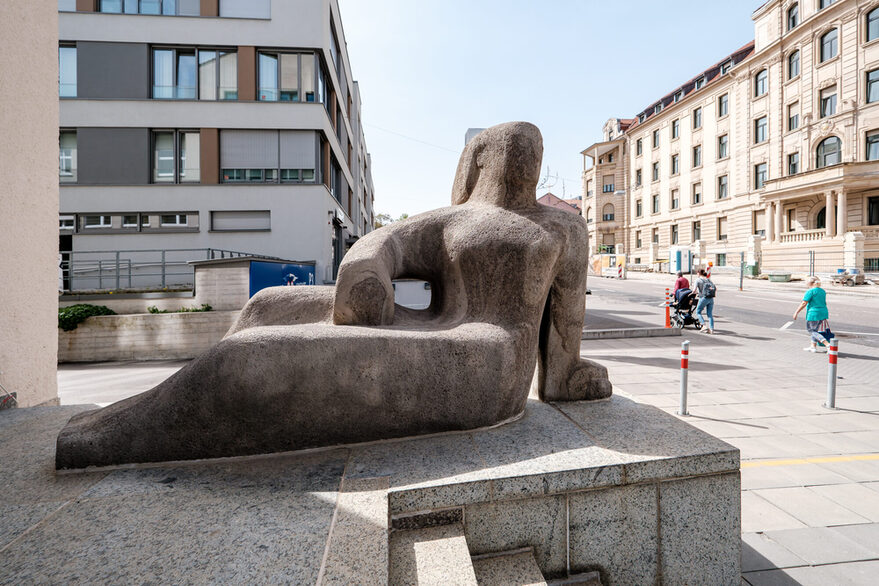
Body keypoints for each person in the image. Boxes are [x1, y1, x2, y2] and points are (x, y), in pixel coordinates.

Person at [793, 276, 831, 352]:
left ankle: (827, 344)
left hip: (813, 313)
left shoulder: (810, 291)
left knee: (812, 331)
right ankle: (813, 347)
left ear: (810, 283)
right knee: (815, 330)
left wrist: (796, 312)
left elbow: (804, 303)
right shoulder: (822, 291)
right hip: (822, 312)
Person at [694, 268, 716, 334]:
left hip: (703, 298)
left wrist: (694, 293)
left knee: (698, 312)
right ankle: (711, 329)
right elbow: (715, 288)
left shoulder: (698, 280)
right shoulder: (708, 280)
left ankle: (703, 325)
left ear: (698, 273)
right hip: (711, 298)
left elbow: (694, 290)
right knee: (709, 314)